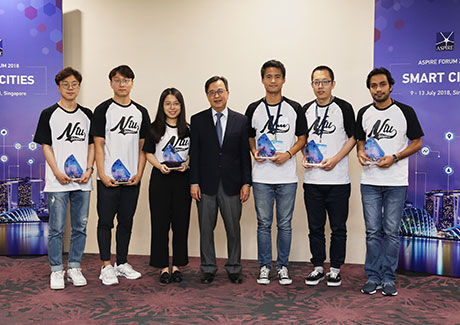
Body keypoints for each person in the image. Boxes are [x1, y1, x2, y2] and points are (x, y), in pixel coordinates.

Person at [356, 67, 423, 296]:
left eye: (382, 84)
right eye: (373, 86)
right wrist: (360, 154)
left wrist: (394, 157)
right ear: (370, 89)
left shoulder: (405, 111)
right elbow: (360, 141)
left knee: (391, 232)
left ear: (390, 86)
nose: (378, 89)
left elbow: (417, 142)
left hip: (396, 181)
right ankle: (373, 277)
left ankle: (388, 277)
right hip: (370, 181)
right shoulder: (364, 112)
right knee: (372, 232)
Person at [245, 60, 307, 285]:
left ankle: (283, 267)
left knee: (285, 224)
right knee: (263, 223)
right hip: (261, 176)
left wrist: (288, 154)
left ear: (284, 79)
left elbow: (303, 138)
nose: (273, 81)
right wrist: (253, 151)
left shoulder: (295, 108)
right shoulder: (253, 108)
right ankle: (264, 266)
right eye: (269, 76)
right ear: (262, 80)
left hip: (287, 177)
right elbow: (249, 136)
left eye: (277, 76)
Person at [34, 67, 94, 290]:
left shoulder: (87, 115)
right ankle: (57, 270)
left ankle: (75, 267)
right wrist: (57, 171)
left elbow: (91, 145)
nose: (70, 88)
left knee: (80, 226)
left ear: (79, 86)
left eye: (74, 84)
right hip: (56, 181)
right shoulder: (48, 113)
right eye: (66, 84)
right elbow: (46, 146)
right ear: (58, 87)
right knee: (57, 228)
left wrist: (89, 169)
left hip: (83, 181)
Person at [91, 65, 150, 285]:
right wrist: (102, 174)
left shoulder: (141, 112)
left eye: (126, 80)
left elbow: (144, 147)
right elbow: (98, 144)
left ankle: (122, 263)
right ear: (111, 83)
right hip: (108, 179)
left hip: (131, 180)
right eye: (117, 80)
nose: (122, 84)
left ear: (132, 83)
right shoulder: (102, 110)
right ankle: (106, 265)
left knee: (126, 221)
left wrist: (139, 174)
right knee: (106, 222)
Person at [190, 76, 251, 284]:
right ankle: (208, 267)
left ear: (227, 93)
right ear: (207, 95)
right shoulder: (197, 120)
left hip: (233, 185)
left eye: (220, 91)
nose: (217, 95)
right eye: (212, 92)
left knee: (233, 228)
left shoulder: (241, 120)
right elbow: (195, 154)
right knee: (206, 229)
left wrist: (246, 183)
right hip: (205, 185)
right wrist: (194, 182)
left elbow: (245, 155)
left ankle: (234, 267)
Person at [302, 66, 356, 287]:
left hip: (338, 180)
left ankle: (335, 269)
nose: (320, 86)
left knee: (338, 228)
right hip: (312, 180)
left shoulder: (344, 107)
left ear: (333, 84)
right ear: (312, 85)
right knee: (315, 227)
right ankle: (317, 267)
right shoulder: (305, 110)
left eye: (325, 81)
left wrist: (335, 159)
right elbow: (301, 139)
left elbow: (354, 137)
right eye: (316, 82)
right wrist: (304, 157)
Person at [143, 88, 191, 284]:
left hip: (182, 179)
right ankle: (163, 267)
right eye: (168, 103)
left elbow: (193, 154)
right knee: (160, 224)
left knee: (181, 224)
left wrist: (186, 164)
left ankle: (178, 266)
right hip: (160, 179)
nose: (172, 108)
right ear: (162, 106)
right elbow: (147, 153)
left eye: (176, 103)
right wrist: (159, 166)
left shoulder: (188, 129)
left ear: (181, 106)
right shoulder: (154, 128)